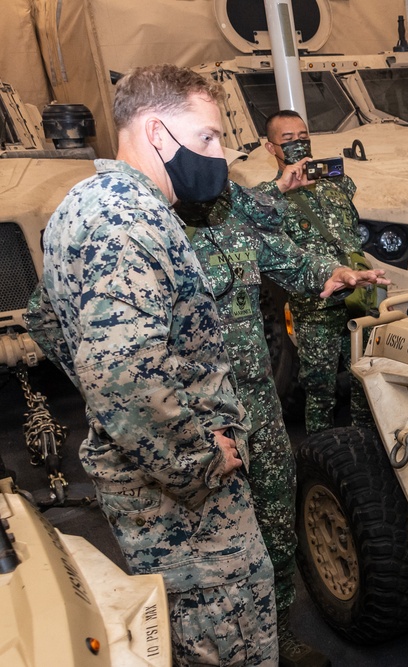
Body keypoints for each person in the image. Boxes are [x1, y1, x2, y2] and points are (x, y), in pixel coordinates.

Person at [24, 64, 277, 666]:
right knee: (228, 641)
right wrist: (199, 461)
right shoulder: (124, 222)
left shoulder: (92, 205)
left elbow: (45, 317)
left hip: (152, 476)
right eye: (209, 137)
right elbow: (121, 375)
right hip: (182, 503)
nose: (219, 154)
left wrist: (109, 403)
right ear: (160, 133)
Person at [176, 177, 387, 667]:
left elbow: (286, 256)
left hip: (257, 403)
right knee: (210, 534)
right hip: (196, 418)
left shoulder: (229, 218)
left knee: (276, 517)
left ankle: (277, 632)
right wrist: (138, 402)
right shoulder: (149, 228)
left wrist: (335, 273)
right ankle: (217, 648)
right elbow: (55, 321)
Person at [256, 109, 372, 434]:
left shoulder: (338, 185)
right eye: (288, 139)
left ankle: (366, 448)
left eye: (303, 137)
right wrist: (284, 184)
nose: (298, 144)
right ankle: (319, 453)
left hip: (358, 300)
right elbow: (253, 218)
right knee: (320, 391)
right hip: (315, 308)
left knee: (365, 380)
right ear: (271, 148)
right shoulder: (272, 197)